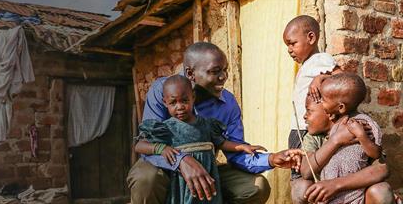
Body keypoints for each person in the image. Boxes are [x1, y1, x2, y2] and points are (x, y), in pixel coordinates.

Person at [127, 42, 303, 204]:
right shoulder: (164, 91)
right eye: (215, 71)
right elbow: (147, 145)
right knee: (145, 179)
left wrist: (271, 159)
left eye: (225, 70)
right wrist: (181, 161)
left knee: (257, 186)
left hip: (207, 167)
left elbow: (235, 153)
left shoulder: (228, 104)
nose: (223, 77)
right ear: (190, 74)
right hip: (165, 165)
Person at [135, 75, 267, 203]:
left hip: (208, 173)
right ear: (165, 103)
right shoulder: (166, 128)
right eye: (173, 102)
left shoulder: (207, 124)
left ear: (193, 97)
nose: (179, 106)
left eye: (184, 101)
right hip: (182, 182)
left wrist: (241, 147)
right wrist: (161, 148)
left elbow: (221, 142)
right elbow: (140, 146)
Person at [291, 95, 394, 204]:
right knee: (300, 188)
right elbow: (306, 171)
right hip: (325, 199)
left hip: (357, 197)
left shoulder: (357, 128)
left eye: (309, 111)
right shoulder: (313, 137)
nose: (304, 116)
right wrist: (336, 140)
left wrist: (335, 185)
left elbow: (382, 169)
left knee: (381, 191)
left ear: (329, 114)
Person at [282, 15, 339, 181]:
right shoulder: (308, 64)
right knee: (299, 172)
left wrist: (321, 78)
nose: (289, 49)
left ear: (311, 37)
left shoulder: (321, 60)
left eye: (293, 43)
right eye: (287, 45)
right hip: (299, 128)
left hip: (308, 130)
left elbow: (342, 78)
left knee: (305, 176)